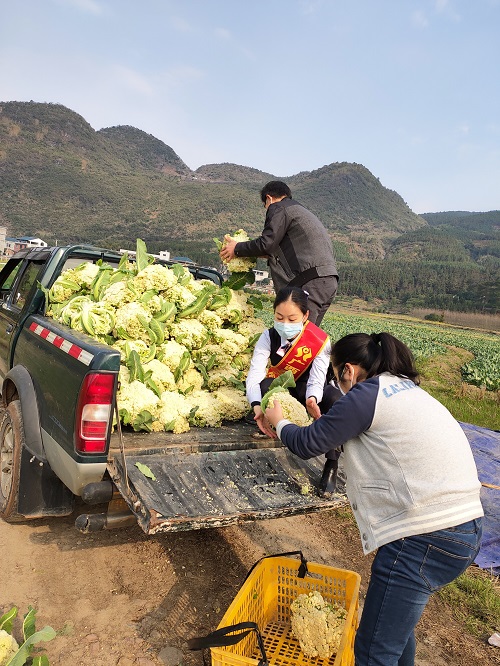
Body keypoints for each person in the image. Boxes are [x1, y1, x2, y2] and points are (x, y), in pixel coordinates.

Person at [264, 332, 483, 666]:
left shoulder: (367, 394)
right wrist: (327, 428)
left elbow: (307, 443)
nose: (339, 384)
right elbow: (369, 441)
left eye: (337, 377)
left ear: (348, 371)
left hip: (424, 537)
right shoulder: (405, 389)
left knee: (372, 651)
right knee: (393, 631)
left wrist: (279, 422)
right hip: (465, 528)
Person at [246, 286, 342, 486]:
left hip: (307, 388)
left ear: (305, 316)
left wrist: (312, 399)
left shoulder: (320, 340)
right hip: (285, 387)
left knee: (335, 399)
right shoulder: (268, 337)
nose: (284, 324)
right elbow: (255, 375)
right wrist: (256, 406)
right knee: (265, 386)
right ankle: (274, 425)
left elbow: (317, 379)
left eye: (292, 319)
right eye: (279, 318)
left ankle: (332, 463)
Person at [220, 181, 338, 326]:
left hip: (310, 283)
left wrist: (237, 248)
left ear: (269, 198)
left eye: (265, 206)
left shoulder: (279, 207)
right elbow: (276, 249)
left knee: (297, 337)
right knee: (307, 338)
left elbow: (266, 244)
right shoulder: (299, 211)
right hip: (327, 281)